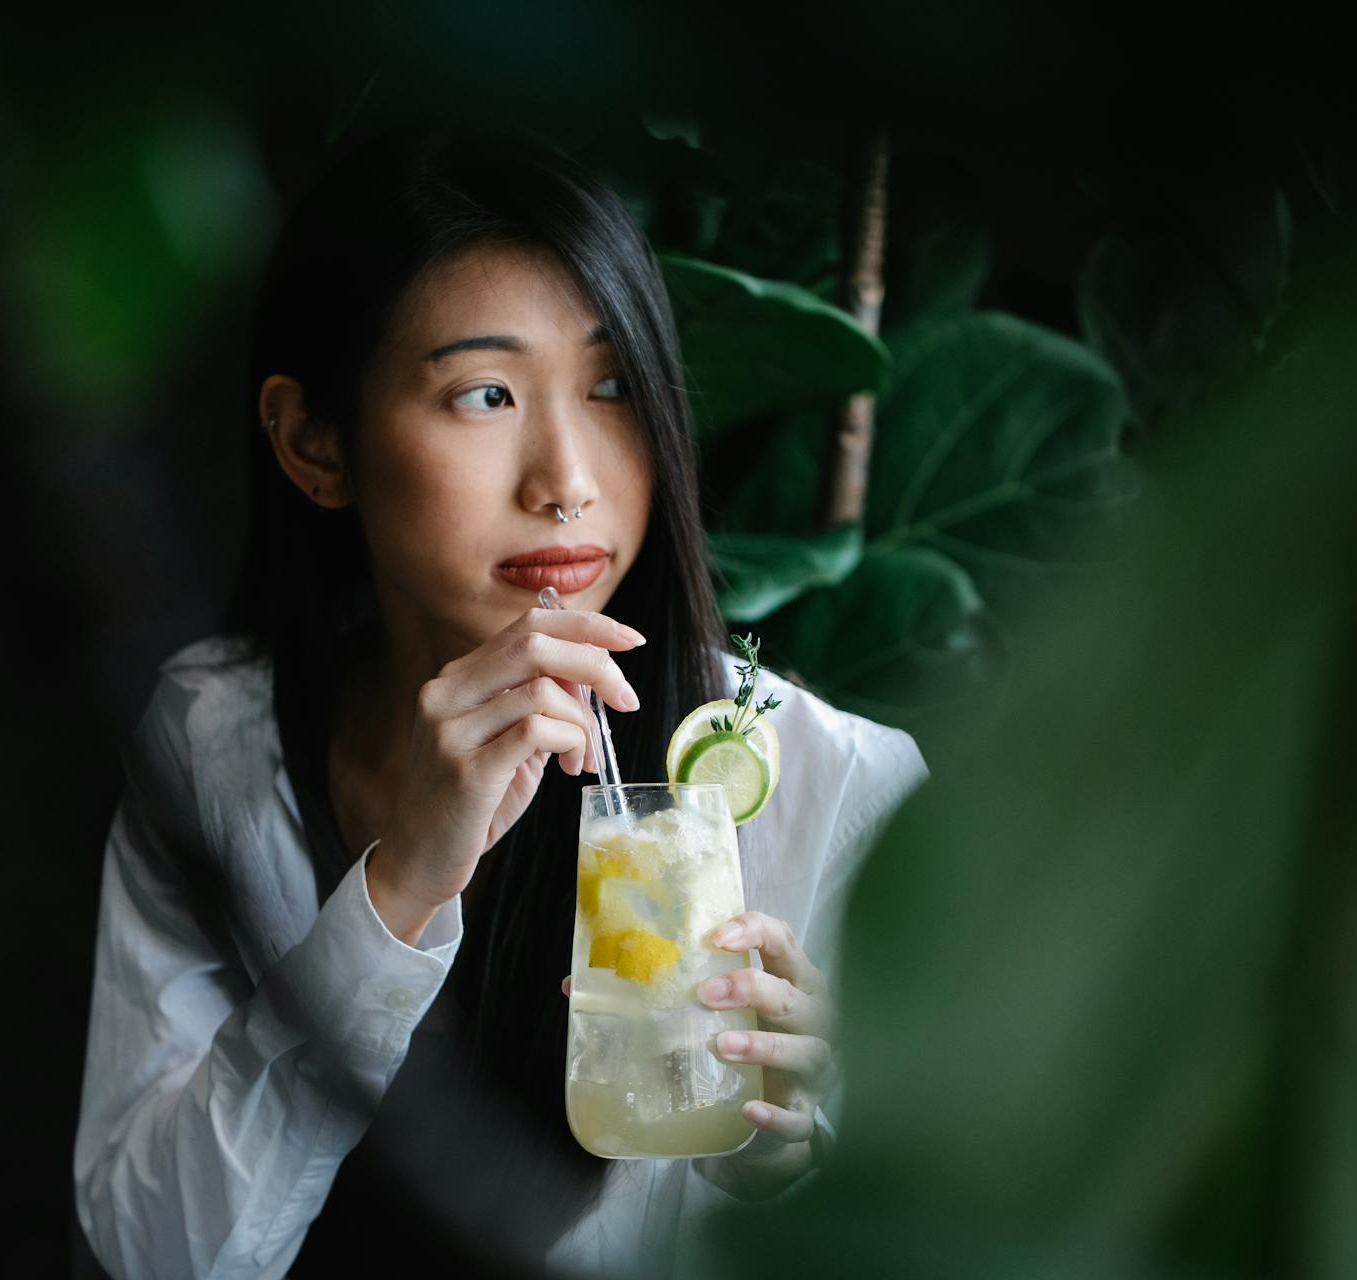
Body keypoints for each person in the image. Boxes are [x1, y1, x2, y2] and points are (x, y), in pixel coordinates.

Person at [72, 117, 929, 1279]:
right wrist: (394, 893)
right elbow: (154, 1258)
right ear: (312, 441)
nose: (568, 481)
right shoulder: (218, 744)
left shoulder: (832, 787)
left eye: (615, 385)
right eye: (484, 394)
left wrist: (783, 1167)